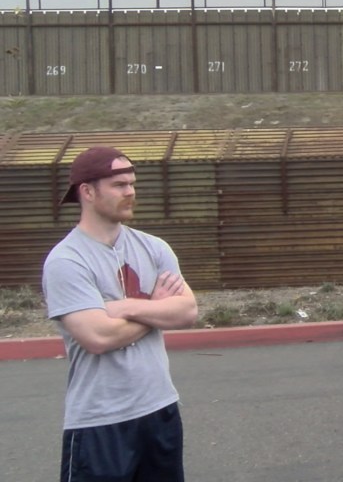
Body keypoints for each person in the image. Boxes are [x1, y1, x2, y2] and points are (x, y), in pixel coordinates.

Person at [42, 146, 199, 482]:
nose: (130, 192)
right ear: (86, 191)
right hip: (100, 422)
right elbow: (98, 337)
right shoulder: (66, 261)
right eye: (118, 185)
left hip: (160, 410)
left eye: (132, 183)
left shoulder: (154, 247)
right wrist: (156, 308)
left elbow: (187, 311)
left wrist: (126, 307)